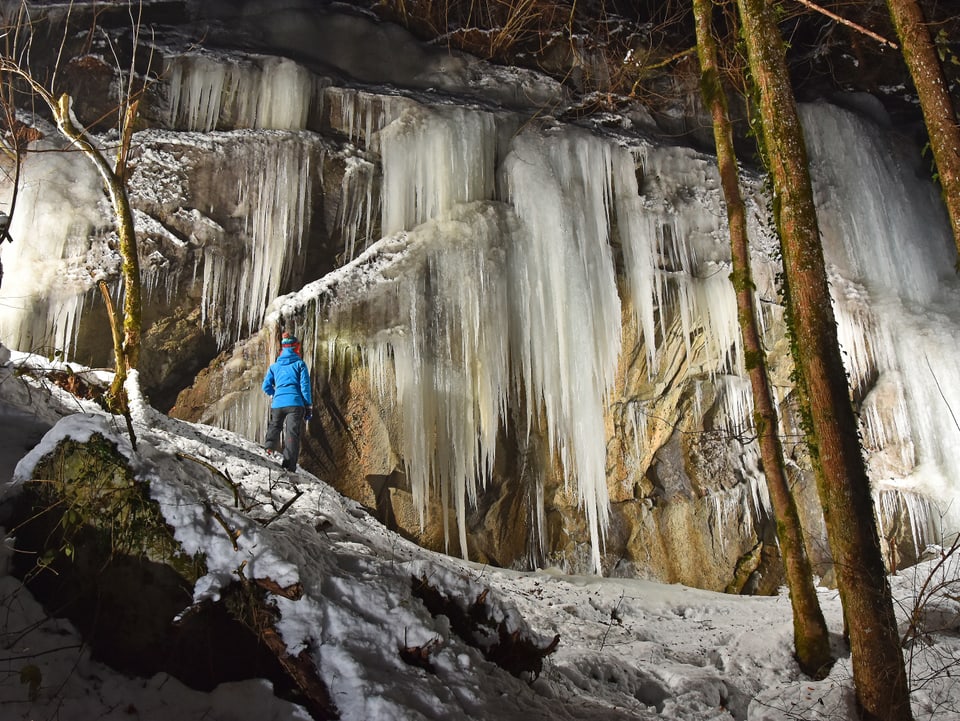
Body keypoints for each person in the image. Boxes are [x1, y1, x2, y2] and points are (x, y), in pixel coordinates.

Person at [262, 333, 313, 471]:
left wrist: (275, 394)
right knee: (292, 433)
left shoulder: (274, 367)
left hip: (278, 403)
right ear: (296, 347)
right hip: (295, 404)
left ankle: (269, 448)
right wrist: (308, 406)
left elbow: (265, 386)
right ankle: (289, 464)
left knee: (275, 425)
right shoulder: (299, 364)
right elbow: (305, 387)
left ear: (283, 349)